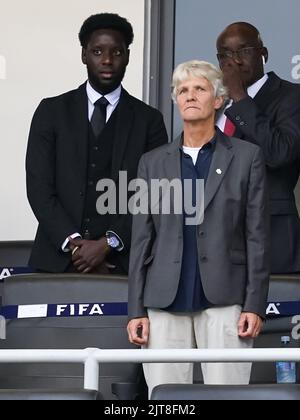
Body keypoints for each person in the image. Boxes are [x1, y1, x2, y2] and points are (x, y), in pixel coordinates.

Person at [127, 60, 270, 397]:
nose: (190, 96)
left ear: (218, 99)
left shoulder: (247, 157)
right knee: (166, 399)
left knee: (227, 398)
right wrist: (136, 309)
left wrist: (254, 304)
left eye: (200, 88)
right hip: (163, 302)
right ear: (176, 100)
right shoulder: (152, 162)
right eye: (183, 90)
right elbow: (141, 239)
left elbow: (257, 237)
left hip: (225, 302)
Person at [26, 13, 168, 274]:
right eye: (97, 51)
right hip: (56, 260)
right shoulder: (51, 111)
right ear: (84, 55)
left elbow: (153, 193)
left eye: (116, 52)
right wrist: (74, 243)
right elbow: (38, 188)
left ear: (127, 56)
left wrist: (108, 243)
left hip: (121, 264)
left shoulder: (149, 120)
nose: (106, 60)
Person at [216, 22, 300, 274]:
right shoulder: (214, 104)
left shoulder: (290, 96)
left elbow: (279, 152)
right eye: (226, 55)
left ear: (263, 53)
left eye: (243, 51)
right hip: (219, 245)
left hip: (271, 239)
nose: (235, 62)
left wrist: (240, 98)